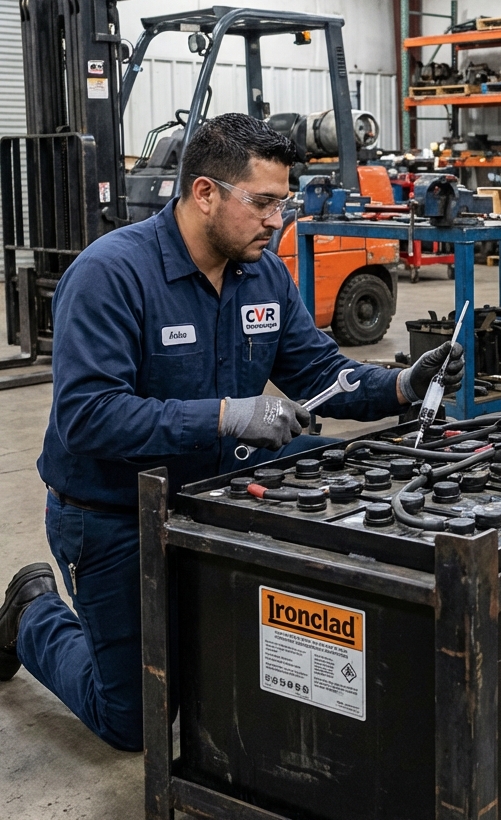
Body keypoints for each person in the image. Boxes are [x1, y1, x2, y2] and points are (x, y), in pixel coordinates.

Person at [0, 113, 464, 751]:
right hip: (112, 514)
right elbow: (87, 416)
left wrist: (404, 386)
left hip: (213, 499)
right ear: (205, 194)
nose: (278, 221)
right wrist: (225, 415)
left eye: (285, 202)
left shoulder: (263, 274)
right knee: (134, 719)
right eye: (264, 203)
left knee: (227, 676)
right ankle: (31, 612)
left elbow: (318, 370)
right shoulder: (110, 276)